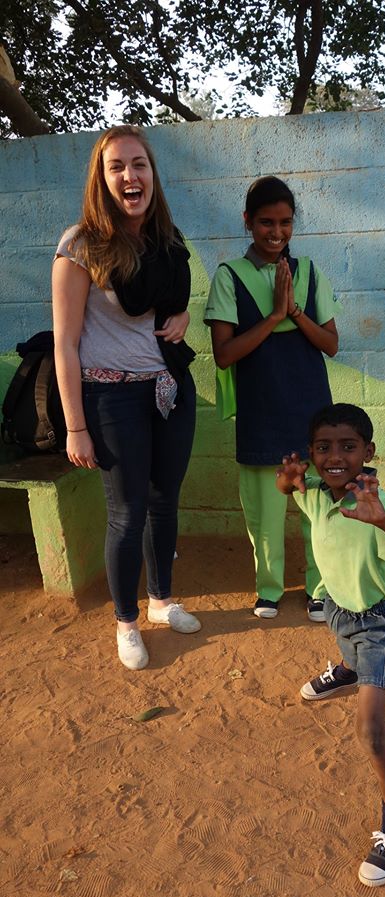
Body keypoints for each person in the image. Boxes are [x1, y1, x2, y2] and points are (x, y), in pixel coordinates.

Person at [52, 125, 201, 671]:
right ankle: (126, 620)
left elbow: (170, 307)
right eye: (117, 167)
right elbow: (65, 342)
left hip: (169, 390)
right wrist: (75, 426)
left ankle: (160, 602)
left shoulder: (167, 239)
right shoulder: (80, 246)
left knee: (165, 501)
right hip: (110, 399)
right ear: (102, 178)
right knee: (127, 513)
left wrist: (182, 316)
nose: (130, 176)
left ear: (153, 175)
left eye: (139, 164)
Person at [276, 403, 385, 886]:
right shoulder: (320, 498)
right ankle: (348, 669)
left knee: (371, 731)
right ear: (312, 454)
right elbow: (293, 491)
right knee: (344, 639)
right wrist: (288, 481)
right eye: (323, 447)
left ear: (368, 452)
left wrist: (382, 521)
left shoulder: (376, 505)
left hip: (378, 623)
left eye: (348, 446)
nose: (335, 456)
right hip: (339, 610)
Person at [205, 176, 340, 622]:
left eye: (285, 222)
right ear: (248, 221)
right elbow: (225, 355)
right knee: (263, 513)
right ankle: (269, 589)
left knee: (316, 507)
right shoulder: (229, 277)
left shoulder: (310, 273)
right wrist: (275, 316)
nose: (276, 232)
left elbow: (331, 344)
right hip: (262, 409)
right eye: (266, 222)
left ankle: (321, 588)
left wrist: (296, 313)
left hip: (310, 409)